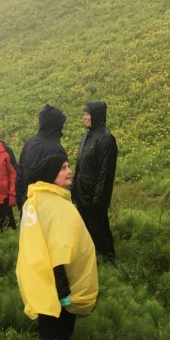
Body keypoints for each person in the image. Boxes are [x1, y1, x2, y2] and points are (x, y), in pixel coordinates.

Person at [16, 154, 99, 340]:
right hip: (58, 275)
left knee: (47, 314)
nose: (69, 171)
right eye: (63, 168)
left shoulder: (38, 199)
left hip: (43, 273)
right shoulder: (53, 204)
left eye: (68, 167)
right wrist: (63, 287)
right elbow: (57, 248)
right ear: (50, 174)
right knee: (58, 318)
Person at [71, 100, 118, 262]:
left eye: (87, 114)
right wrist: (74, 190)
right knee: (87, 234)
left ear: (96, 115)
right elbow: (80, 165)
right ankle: (93, 263)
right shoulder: (87, 135)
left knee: (100, 233)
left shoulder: (106, 139)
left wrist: (98, 199)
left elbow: (105, 174)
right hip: (83, 196)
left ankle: (109, 263)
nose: (84, 117)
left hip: (95, 199)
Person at [16, 104, 67, 209]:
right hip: (48, 204)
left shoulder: (29, 142)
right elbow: (61, 182)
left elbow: (20, 174)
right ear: (56, 125)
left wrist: (21, 201)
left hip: (28, 200)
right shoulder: (56, 149)